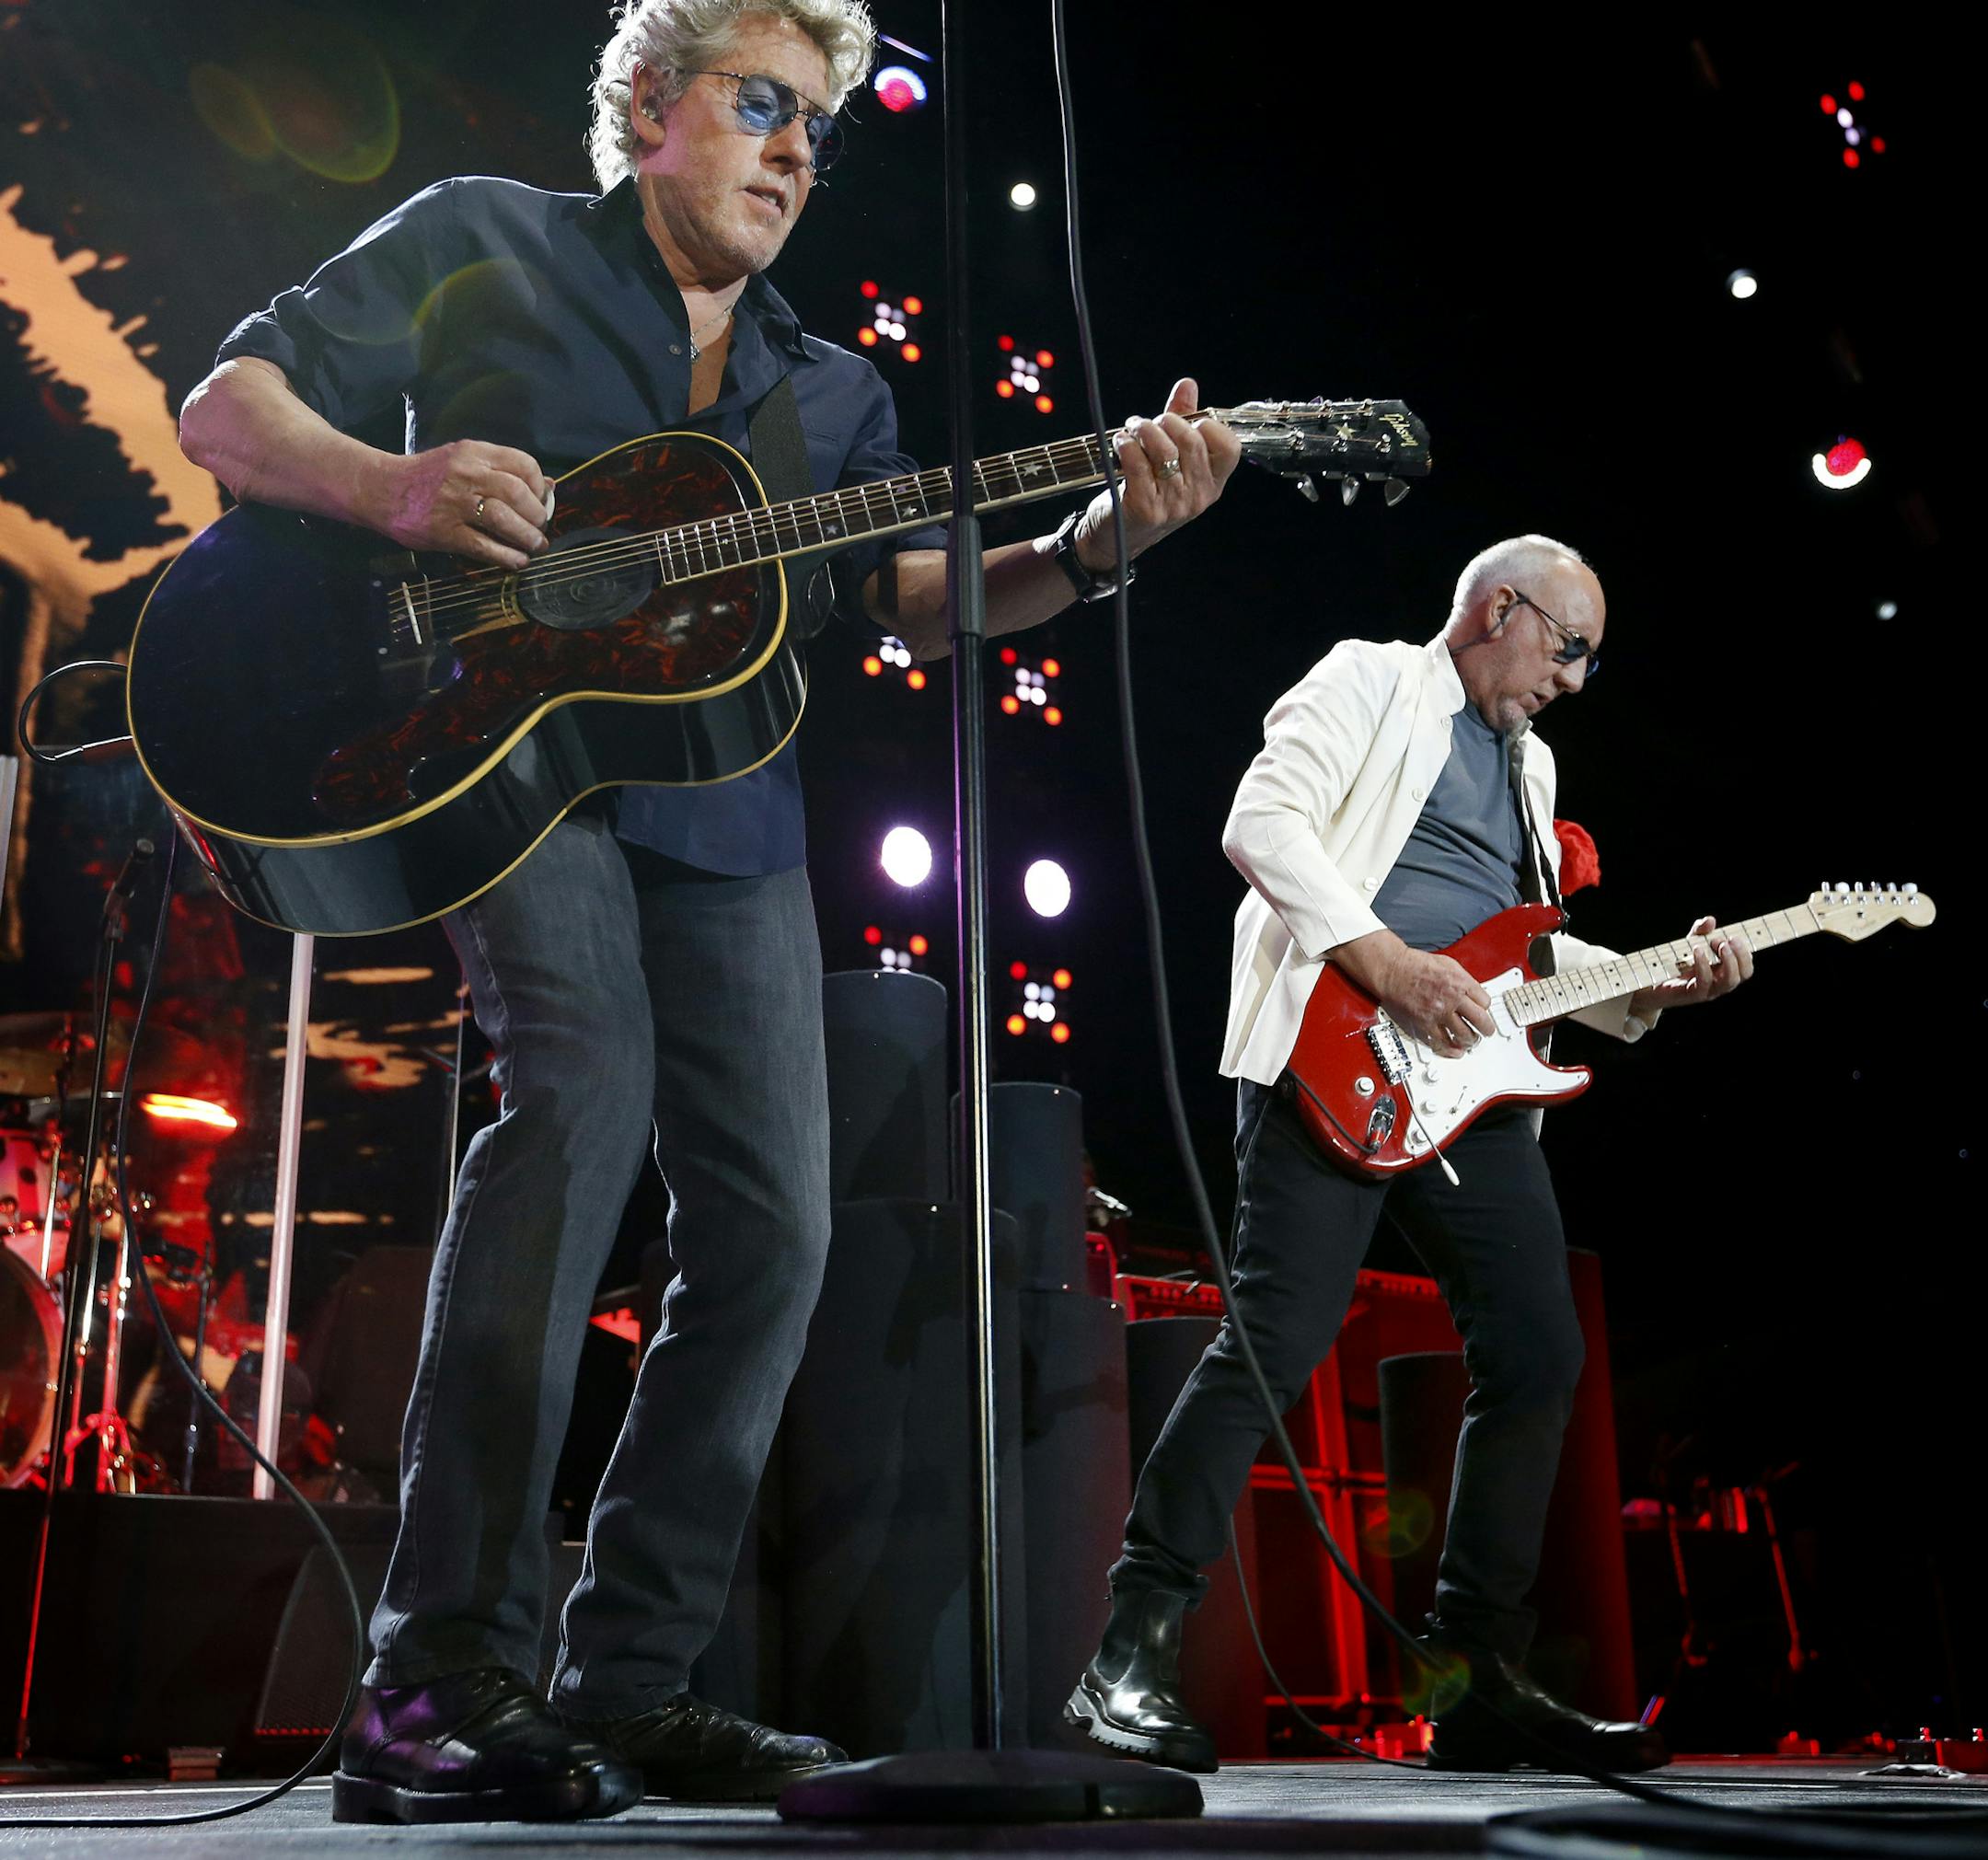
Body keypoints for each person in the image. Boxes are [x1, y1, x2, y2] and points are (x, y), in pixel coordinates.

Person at [176, 0, 1238, 1825]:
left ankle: (633, 1680)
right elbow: (225, 405)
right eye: (763, 105)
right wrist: (401, 485)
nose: (796, 151)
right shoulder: (480, 240)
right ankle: (432, 1677)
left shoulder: (829, 392)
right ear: (653, 104)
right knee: (576, 1111)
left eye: (817, 125)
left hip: (734, 812)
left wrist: (1098, 544)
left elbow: (921, 593)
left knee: (774, 1237)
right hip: (506, 780)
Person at [1066, 535, 1752, 1775]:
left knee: (1539, 1351)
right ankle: (1128, 1652)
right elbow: (1260, 821)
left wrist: (1655, 986)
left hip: (1469, 1088)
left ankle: (1477, 1671)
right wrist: (1388, 964)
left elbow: (1520, 956)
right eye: (1570, 647)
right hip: (1334, 1050)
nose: (1577, 679)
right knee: (1277, 1337)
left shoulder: (1534, 768)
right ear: (1502, 607)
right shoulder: (1372, 679)